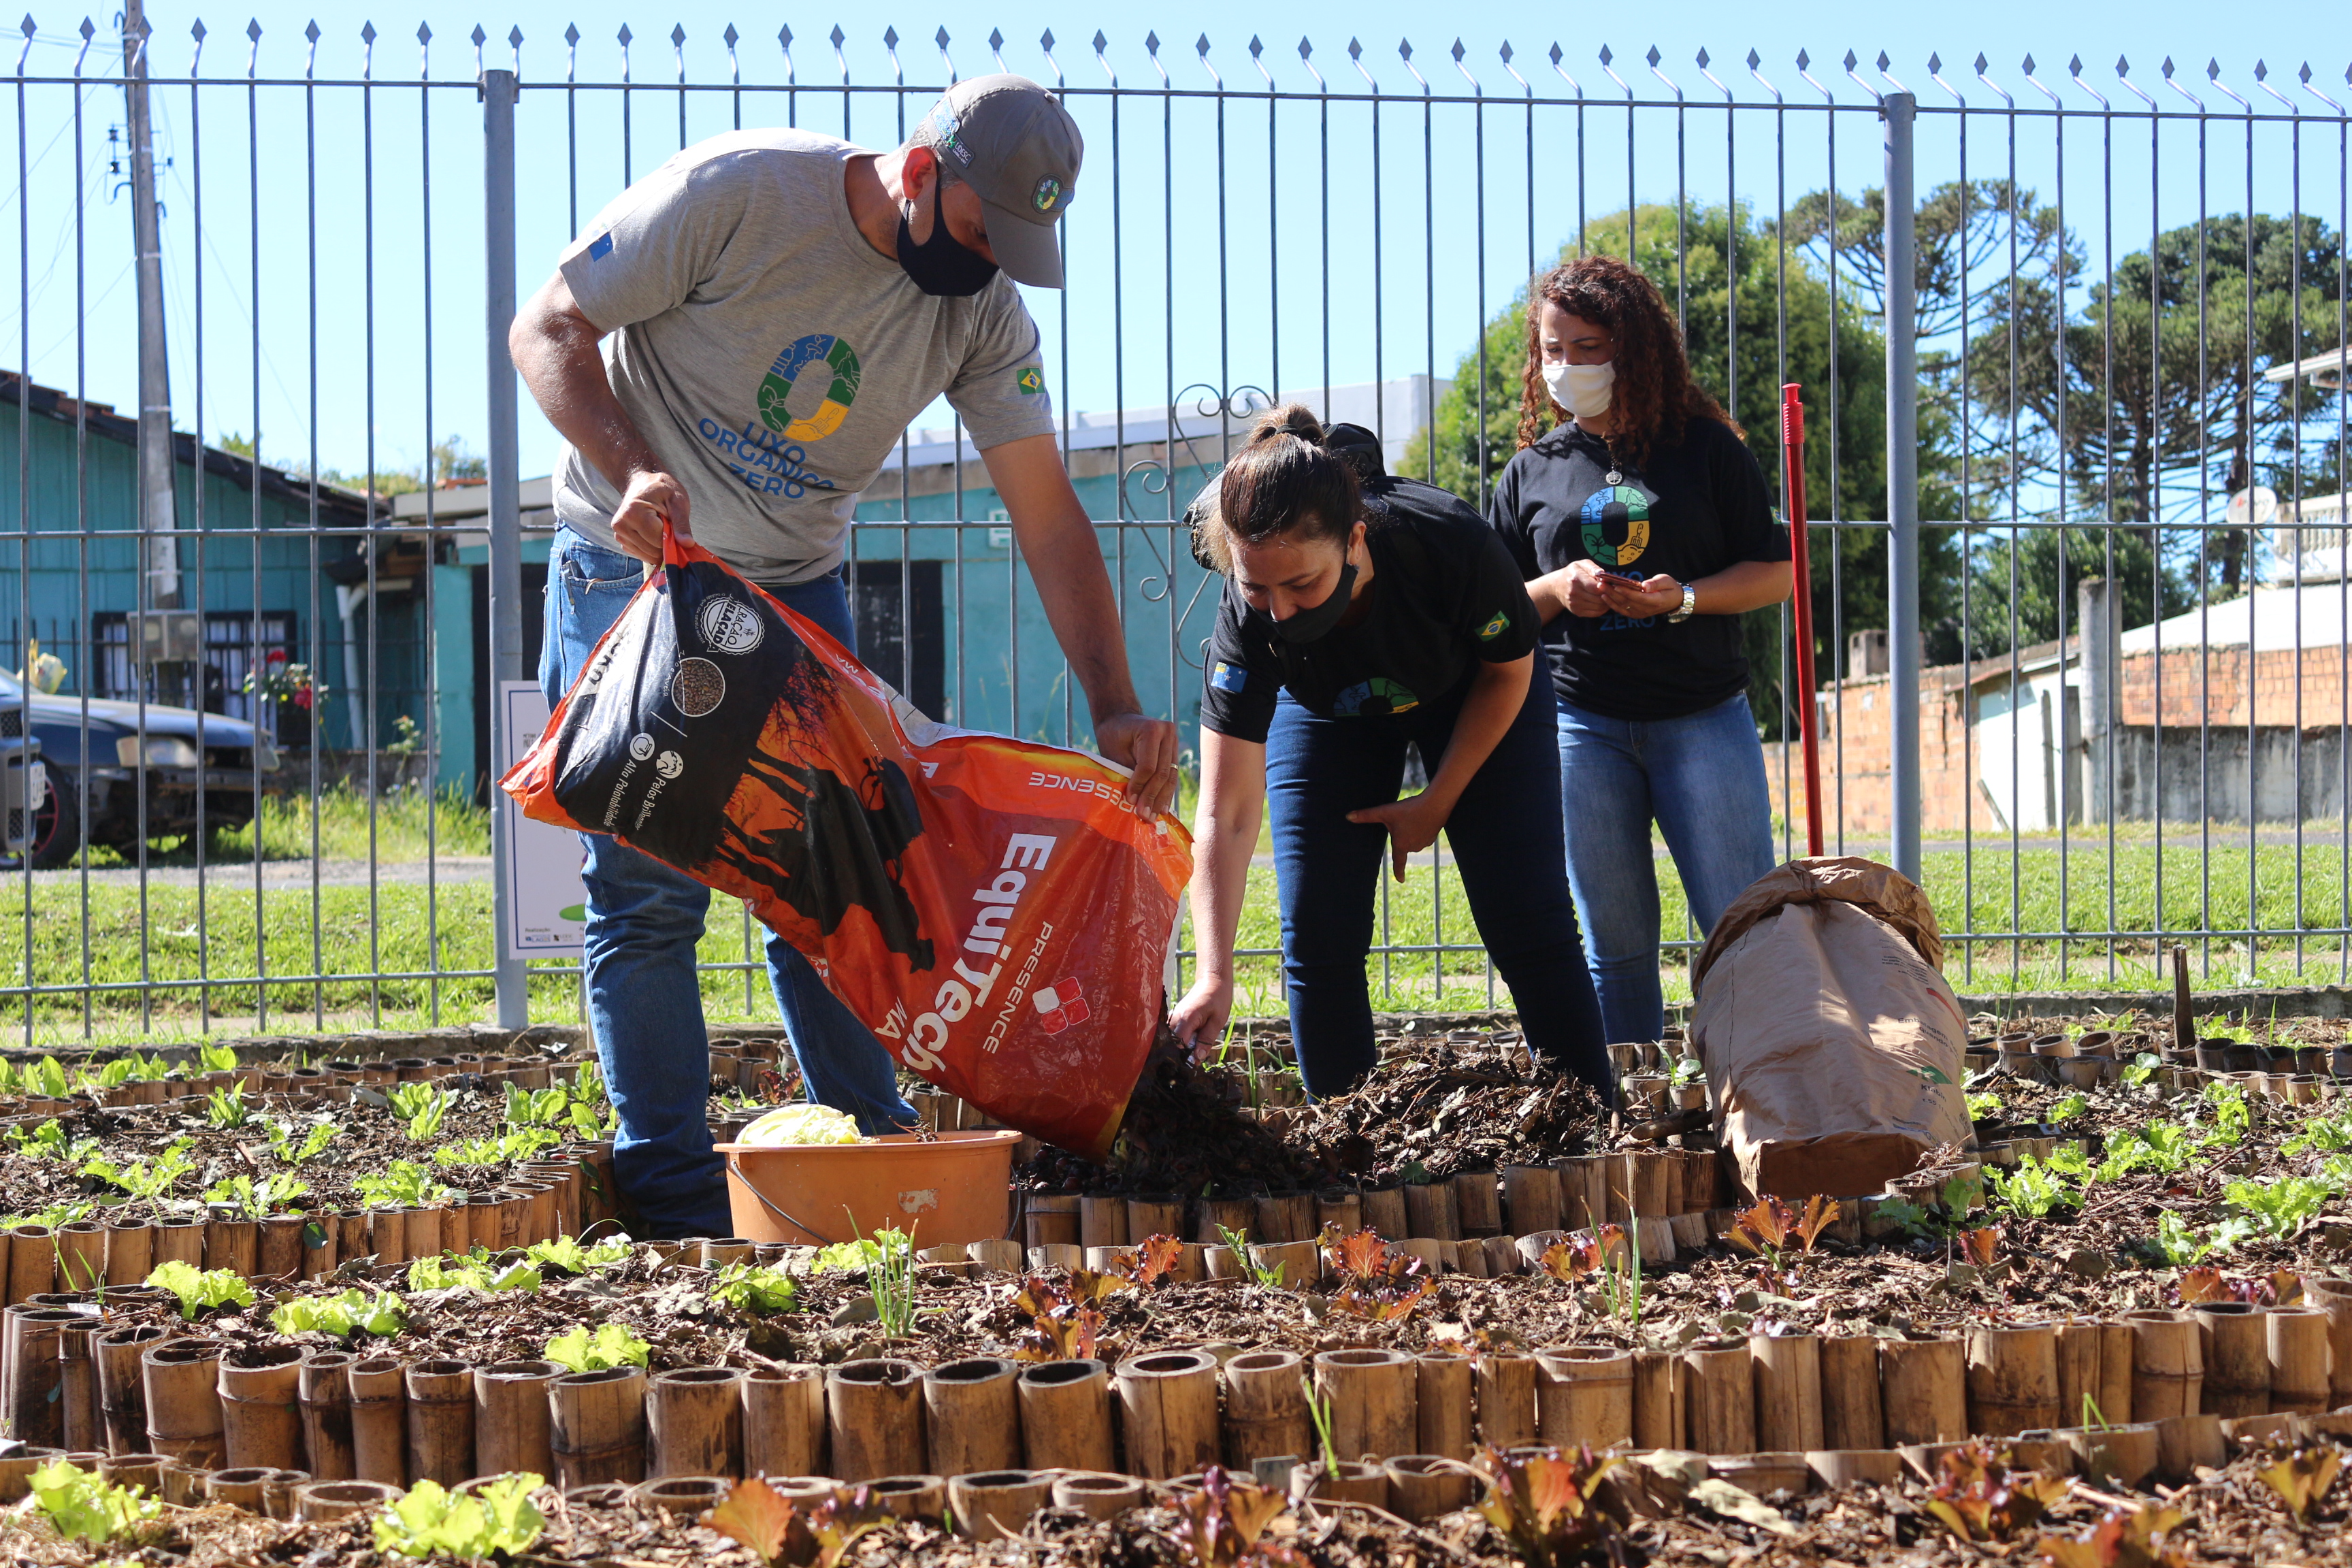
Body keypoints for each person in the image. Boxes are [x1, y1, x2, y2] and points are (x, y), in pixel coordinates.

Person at [510, 75, 1180, 1238]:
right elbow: (547, 325)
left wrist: (1116, 702)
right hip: (638, 561)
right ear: (921, 173)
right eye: (979, 233)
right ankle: (672, 1195)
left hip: (794, 583)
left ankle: (869, 1169)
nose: (990, 268)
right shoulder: (739, 194)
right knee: (648, 889)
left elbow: (1047, 511)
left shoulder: (981, 314)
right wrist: (628, 470)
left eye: (1017, 248)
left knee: (839, 880)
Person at [1168, 406, 1610, 1101]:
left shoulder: (1446, 540)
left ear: (1354, 541)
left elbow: (1509, 670)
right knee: (1317, 933)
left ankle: (1590, 1123)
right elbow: (1224, 812)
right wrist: (1214, 974)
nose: (1280, 611)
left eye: (1302, 586)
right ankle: (1350, 1147)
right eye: (1258, 588)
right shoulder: (1249, 618)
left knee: (1530, 918)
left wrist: (1438, 801)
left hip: (1473, 692)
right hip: (1328, 712)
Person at [1487, 254, 1793, 1046]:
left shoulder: (1707, 450)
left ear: (1636, 347)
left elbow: (1775, 574)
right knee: (1614, 946)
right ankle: (1631, 1109)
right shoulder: (1529, 474)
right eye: (1552, 350)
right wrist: (1559, 588)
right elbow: (1492, 614)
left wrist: (1683, 597)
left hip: (1703, 719)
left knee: (1743, 930)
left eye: (1587, 347)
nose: (1566, 367)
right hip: (1582, 729)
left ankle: (1764, 1098)